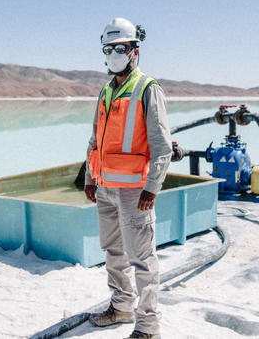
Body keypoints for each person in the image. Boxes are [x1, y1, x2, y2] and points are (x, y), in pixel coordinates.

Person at [84, 18, 172, 339]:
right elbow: (95, 137)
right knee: (113, 251)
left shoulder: (148, 89)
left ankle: (148, 327)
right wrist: (90, 176)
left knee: (143, 259)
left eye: (120, 48)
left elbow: (162, 145)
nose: (114, 54)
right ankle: (121, 306)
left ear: (135, 50)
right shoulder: (106, 90)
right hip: (106, 186)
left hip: (135, 191)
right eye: (109, 49)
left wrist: (153, 186)